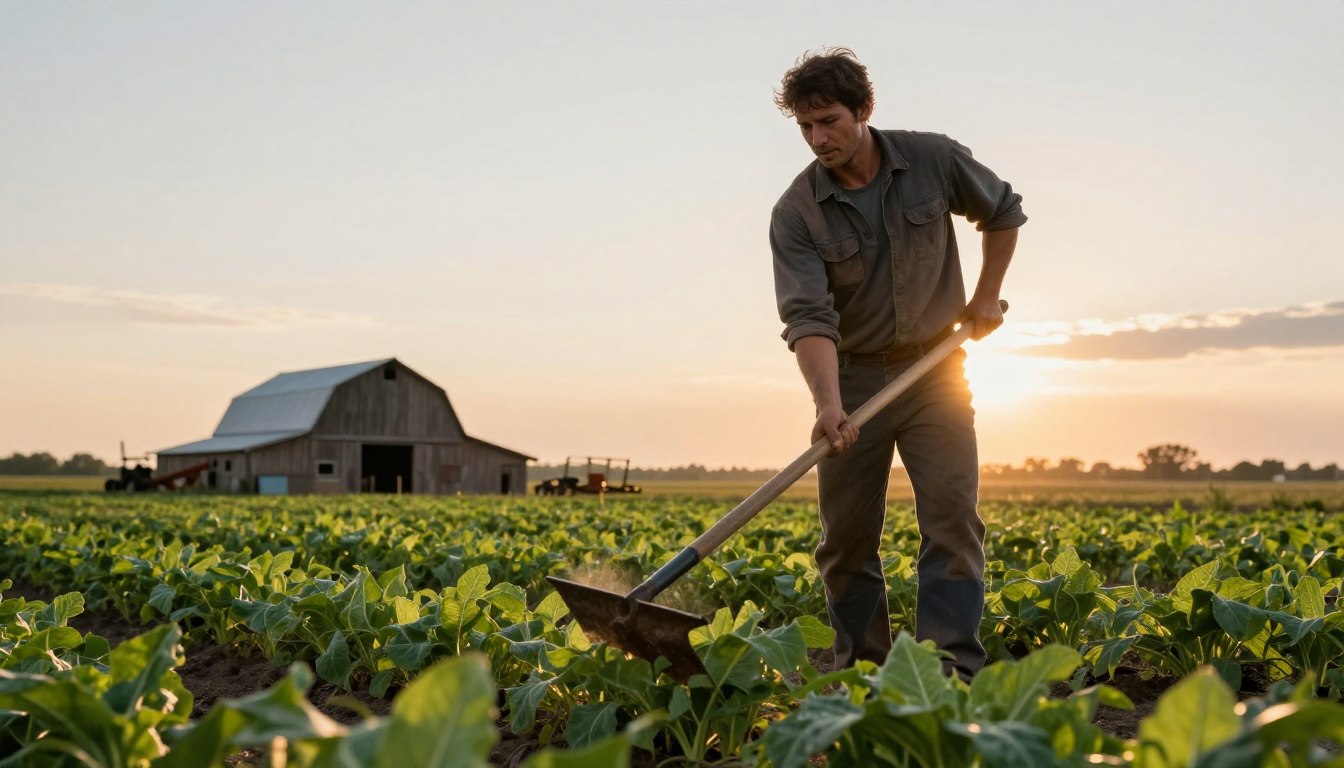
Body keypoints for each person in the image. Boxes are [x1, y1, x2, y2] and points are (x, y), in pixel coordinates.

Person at [769, 48, 1026, 679]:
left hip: (937, 371)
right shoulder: (796, 212)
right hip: (852, 378)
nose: (817, 138)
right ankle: (863, 671)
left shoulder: (933, 159)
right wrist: (829, 405)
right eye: (805, 127)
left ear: (864, 110)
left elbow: (1003, 210)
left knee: (952, 520)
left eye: (828, 120)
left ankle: (949, 674)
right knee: (846, 540)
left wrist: (986, 293)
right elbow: (809, 319)